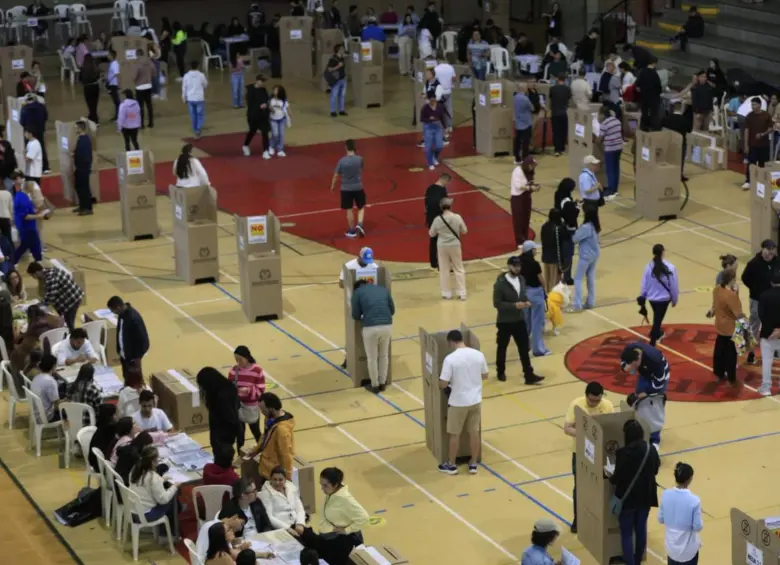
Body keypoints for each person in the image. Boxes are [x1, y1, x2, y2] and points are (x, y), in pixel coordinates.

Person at [563, 381, 614, 533]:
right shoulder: (576, 405)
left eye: (597, 400)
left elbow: (611, 427)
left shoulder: (607, 406)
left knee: (601, 487)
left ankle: (598, 518)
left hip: (600, 453)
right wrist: (586, 436)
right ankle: (578, 519)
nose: (594, 403)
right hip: (580, 452)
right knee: (579, 486)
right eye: (591, 400)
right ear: (586, 396)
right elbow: (567, 428)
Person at [608, 419, 660, 565]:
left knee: (626, 533)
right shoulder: (651, 449)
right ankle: (638, 560)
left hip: (627, 498)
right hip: (646, 495)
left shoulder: (623, 453)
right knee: (641, 528)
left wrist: (609, 475)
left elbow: (616, 479)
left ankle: (629, 562)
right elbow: (655, 469)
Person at [437, 329, 487, 475]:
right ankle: (473, 463)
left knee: (454, 434)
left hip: (458, 401)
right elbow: (485, 375)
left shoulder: (450, 359)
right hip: (475, 400)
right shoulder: (478, 354)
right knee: (474, 432)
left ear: (451, 341)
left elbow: (444, 383)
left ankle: (451, 464)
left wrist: (439, 384)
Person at [298, 467, 368, 565]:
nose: (322, 488)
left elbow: (363, 517)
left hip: (338, 543)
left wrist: (346, 530)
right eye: (321, 485)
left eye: (325, 485)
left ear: (335, 484)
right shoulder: (332, 493)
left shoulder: (345, 499)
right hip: (327, 538)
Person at [492, 256, 544, 384]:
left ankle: (528, 374)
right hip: (505, 321)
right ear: (509, 266)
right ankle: (500, 371)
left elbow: (522, 294)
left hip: (519, 320)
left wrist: (526, 301)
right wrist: (514, 305)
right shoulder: (500, 284)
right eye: (515, 266)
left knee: (524, 347)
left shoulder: (521, 279)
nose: (518, 268)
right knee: (502, 347)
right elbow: (497, 303)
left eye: (519, 266)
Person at [620, 342, 670, 445]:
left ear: (637, 359)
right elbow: (623, 360)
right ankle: (640, 429)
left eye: (633, 366)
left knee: (653, 406)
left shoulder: (654, 359)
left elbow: (659, 383)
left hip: (658, 378)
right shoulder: (630, 348)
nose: (633, 369)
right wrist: (625, 367)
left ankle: (654, 440)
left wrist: (647, 394)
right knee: (640, 403)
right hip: (645, 373)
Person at [351, 279, 395, 393]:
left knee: (372, 358)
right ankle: (382, 383)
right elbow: (392, 310)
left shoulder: (358, 293)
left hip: (370, 327)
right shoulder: (383, 290)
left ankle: (374, 385)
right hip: (387, 326)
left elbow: (355, 315)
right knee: (384, 355)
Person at [741, 239, 779, 365]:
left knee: (773, 324)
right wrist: (755, 289)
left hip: (772, 300)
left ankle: (774, 348)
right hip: (757, 299)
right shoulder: (754, 263)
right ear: (762, 249)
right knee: (754, 326)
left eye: (772, 249)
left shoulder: (776, 261)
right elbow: (744, 278)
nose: (770, 252)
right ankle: (751, 353)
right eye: (768, 249)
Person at [658, 462, 703, 565]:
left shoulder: (666, 494)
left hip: (671, 549)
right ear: (690, 479)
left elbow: (660, 518)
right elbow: (697, 527)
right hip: (688, 552)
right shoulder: (694, 501)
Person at [129, 446, 179, 528]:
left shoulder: (134, 470)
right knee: (172, 500)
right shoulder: (153, 477)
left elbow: (146, 485)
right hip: (145, 515)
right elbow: (164, 500)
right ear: (153, 462)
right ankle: (166, 534)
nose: (158, 463)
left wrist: (161, 480)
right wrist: (175, 486)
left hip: (131, 510)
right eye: (157, 460)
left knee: (166, 494)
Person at [639, 244, 679, 346]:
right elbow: (674, 285)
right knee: (658, 320)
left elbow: (644, 283)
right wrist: (674, 299)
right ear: (663, 252)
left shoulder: (648, 267)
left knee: (657, 318)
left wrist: (643, 296)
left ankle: (654, 333)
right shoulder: (670, 267)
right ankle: (652, 342)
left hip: (652, 299)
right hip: (664, 299)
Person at [428, 197, 468, 300]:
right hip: (455, 244)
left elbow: (431, 234)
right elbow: (464, 231)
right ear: (450, 206)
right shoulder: (457, 217)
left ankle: (446, 293)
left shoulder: (437, 220)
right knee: (458, 268)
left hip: (442, 246)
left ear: (441, 207)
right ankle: (462, 292)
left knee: (444, 269)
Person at [27, 262, 84, 332]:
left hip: (72, 300)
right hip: (69, 297)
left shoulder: (50, 278)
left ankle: (73, 337)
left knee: (68, 323)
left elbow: (50, 297)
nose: (34, 278)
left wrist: (37, 306)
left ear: (36, 272)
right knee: (66, 321)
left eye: (33, 275)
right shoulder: (48, 272)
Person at [229, 345, 266, 450]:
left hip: (251, 407)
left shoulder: (257, 371)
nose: (238, 362)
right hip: (238, 406)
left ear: (247, 357)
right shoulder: (234, 370)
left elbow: (261, 390)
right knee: (240, 434)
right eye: (236, 360)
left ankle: (262, 451)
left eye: (240, 359)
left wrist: (248, 390)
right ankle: (241, 455)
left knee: (256, 431)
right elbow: (229, 386)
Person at [711, 269, 744, 384]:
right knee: (731, 353)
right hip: (730, 327)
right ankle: (731, 376)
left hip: (719, 325)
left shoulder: (716, 290)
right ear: (732, 280)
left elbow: (714, 306)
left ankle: (718, 372)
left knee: (719, 350)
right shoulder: (731, 295)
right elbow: (737, 312)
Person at [197, 367, 241, 452]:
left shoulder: (219, 397)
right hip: (228, 430)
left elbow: (228, 417)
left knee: (222, 454)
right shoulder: (229, 387)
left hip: (222, 433)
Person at [519, 241, 550, 356]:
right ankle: (538, 349)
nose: (536, 251)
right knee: (537, 322)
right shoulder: (534, 264)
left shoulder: (518, 261)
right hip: (535, 293)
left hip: (523, 293)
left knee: (526, 321)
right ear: (530, 250)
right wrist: (545, 290)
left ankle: (525, 345)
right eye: (534, 249)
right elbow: (541, 280)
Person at [107, 296, 149, 380]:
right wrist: (120, 351)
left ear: (118, 307)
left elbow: (144, 340)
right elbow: (121, 333)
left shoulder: (134, 318)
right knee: (127, 379)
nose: (113, 313)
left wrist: (137, 357)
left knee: (136, 382)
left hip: (133, 358)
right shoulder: (121, 314)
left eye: (113, 311)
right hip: (125, 356)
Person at [331, 139, 366, 238]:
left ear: (346, 147)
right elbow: (362, 167)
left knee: (349, 209)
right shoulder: (360, 159)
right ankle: (360, 223)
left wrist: (333, 186)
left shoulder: (341, 161)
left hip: (345, 188)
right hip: (358, 186)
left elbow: (336, 175)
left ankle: (351, 231)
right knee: (361, 206)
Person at [259, 465, 307, 532]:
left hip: (296, 525)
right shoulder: (266, 494)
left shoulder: (292, 488)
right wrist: (287, 528)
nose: (277, 482)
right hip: (281, 529)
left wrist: (300, 523)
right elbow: (269, 517)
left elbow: (300, 508)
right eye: (274, 479)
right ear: (270, 479)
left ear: (285, 480)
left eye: (280, 480)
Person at [571, 205, 601, 311]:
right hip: (594, 255)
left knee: (578, 278)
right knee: (590, 277)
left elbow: (575, 239)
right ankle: (590, 302)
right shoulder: (596, 226)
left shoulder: (586, 227)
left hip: (586, 256)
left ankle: (577, 304)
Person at [743, 97, 774, 190]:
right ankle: (748, 181)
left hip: (764, 145)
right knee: (751, 164)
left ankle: (761, 182)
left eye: (754, 104)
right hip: (753, 145)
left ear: (759, 105)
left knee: (763, 164)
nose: (753, 106)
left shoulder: (766, 115)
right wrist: (746, 144)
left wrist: (763, 134)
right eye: (752, 104)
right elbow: (746, 130)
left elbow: (771, 128)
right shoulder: (749, 116)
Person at [13, 177, 46, 263]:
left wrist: (36, 211)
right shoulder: (23, 199)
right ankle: (13, 262)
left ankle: (39, 261)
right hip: (27, 227)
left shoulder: (21, 196)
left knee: (34, 245)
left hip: (26, 227)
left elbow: (29, 210)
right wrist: (39, 216)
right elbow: (26, 216)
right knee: (25, 246)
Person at [758, 272, 780, 397]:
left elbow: (762, 315)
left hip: (768, 335)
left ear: (772, 283)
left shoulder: (764, 296)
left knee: (767, 361)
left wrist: (771, 330)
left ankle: (766, 387)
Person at [510, 156, 540, 247]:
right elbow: (518, 186)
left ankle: (525, 239)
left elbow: (531, 181)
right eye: (532, 165)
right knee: (518, 219)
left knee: (526, 218)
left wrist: (535, 185)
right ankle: (519, 240)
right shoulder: (517, 171)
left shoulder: (529, 172)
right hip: (517, 197)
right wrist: (530, 188)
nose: (533, 167)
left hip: (526, 196)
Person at [424, 173, 450, 270]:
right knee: (442, 241)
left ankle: (433, 262)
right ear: (445, 181)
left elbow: (425, 204)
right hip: (440, 219)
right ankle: (441, 263)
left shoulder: (429, 188)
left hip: (430, 219)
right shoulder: (443, 190)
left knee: (433, 241)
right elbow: (445, 206)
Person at [243, 75, 271, 159]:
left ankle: (265, 151)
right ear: (257, 81)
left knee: (265, 132)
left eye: (264, 82)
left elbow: (267, 99)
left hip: (263, 115)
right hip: (253, 115)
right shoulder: (250, 91)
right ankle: (245, 145)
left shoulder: (264, 90)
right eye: (262, 81)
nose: (263, 83)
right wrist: (259, 106)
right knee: (252, 131)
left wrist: (266, 104)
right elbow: (250, 104)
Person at [598, 106, 623, 200]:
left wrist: (596, 142)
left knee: (610, 170)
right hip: (619, 147)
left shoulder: (604, 124)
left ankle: (611, 190)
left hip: (610, 149)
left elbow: (599, 139)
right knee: (616, 168)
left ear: (603, 114)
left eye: (599, 114)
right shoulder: (616, 120)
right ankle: (615, 188)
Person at [20, 94, 49, 175]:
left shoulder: (24, 109)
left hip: (29, 132)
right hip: (40, 131)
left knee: (29, 149)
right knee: (41, 148)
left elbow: (22, 122)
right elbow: (46, 117)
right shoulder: (42, 107)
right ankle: (45, 168)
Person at [540, 209, 565, 293]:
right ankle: (553, 299)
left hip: (545, 256)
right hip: (555, 258)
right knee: (555, 282)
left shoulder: (544, 226)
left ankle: (547, 297)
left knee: (547, 279)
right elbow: (562, 244)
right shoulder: (559, 228)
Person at [30, 354, 61, 422]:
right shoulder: (51, 382)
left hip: (37, 413)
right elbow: (57, 406)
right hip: (47, 417)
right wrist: (65, 402)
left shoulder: (36, 377)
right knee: (69, 408)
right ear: (53, 366)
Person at [182, 60, 209, 138]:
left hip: (190, 98)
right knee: (200, 115)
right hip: (199, 98)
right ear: (198, 66)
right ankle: (198, 129)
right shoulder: (201, 75)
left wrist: (184, 97)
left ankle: (195, 129)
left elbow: (184, 88)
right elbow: (205, 84)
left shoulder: (186, 76)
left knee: (193, 115)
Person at [635, 57, 662, 131]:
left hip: (644, 97)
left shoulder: (642, 72)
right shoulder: (655, 74)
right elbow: (659, 88)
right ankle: (655, 130)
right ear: (654, 63)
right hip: (654, 98)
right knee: (654, 115)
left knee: (644, 113)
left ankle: (643, 129)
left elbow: (637, 86)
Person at [73, 120, 93, 216]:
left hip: (83, 168)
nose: (75, 129)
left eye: (76, 127)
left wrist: (75, 155)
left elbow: (84, 155)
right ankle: (82, 205)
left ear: (80, 128)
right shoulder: (81, 139)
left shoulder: (84, 139)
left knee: (84, 188)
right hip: (79, 167)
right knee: (78, 186)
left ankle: (88, 208)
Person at [88, 403, 118, 471]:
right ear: (111, 416)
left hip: (94, 462)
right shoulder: (111, 429)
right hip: (101, 465)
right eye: (116, 414)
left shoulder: (100, 426)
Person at [420, 92, 446, 170]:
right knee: (428, 146)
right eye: (431, 100)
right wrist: (429, 119)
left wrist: (445, 127)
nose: (432, 102)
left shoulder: (440, 107)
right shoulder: (425, 108)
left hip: (438, 127)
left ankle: (435, 157)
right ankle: (430, 163)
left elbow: (442, 117)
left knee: (439, 146)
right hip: (428, 127)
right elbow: (422, 119)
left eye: (434, 100)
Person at [549, 74, 571, 156]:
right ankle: (562, 148)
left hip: (554, 113)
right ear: (565, 80)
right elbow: (568, 99)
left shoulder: (552, 89)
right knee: (563, 131)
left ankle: (557, 149)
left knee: (556, 131)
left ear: (557, 79)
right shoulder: (567, 89)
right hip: (564, 113)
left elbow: (550, 98)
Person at [134, 48, 156, 129]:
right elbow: (154, 70)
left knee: (140, 106)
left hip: (139, 86)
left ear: (137, 54)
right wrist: (150, 77)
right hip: (148, 85)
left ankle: (141, 124)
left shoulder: (137, 63)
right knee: (149, 105)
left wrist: (134, 80)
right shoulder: (149, 62)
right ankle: (151, 123)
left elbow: (135, 74)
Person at [513, 88, 534, 164]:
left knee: (517, 141)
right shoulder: (525, 99)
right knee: (526, 142)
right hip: (526, 123)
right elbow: (532, 108)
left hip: (518, 123)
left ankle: (516, 158)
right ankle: (524, 158)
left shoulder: (515, 97)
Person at [269, 85, 290, 157]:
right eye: (274, 90)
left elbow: (287, 108)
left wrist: (290, 115)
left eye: (276, 90)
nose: (274, 91)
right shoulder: (271, 99)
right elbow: (269, 109)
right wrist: (271, 109)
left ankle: (280, 149)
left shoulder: (283, 100)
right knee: (275, 134)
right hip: (273, 119)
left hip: (281, 119)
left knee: (281, 134)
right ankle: (271, 146)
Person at [327, 45, 348, 117]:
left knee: (342, 95)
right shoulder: (333, 59)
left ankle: (341, 110)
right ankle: (333, 111)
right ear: (339, 50)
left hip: (343, 79)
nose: (343, 50)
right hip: (336, 80)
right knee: (334, 95)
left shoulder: (342, 58)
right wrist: (338, 66)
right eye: (342, 49)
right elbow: (329, 69)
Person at [80, 54, 100, 124]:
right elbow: (98, 76)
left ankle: (93, 118)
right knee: (94, 104)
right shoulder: (95, 67)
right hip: (95, 87)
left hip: (87, 87)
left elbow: (80, 79)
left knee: (90, 104)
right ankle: (93, 117)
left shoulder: (83, 68)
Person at [0, 125, 18, 193]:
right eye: (4, 131)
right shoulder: (6, 144)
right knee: (9, 195)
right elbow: (11, 161)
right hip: (6, 174)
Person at [106, 50, 121, 121]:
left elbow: (117, 74)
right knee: (115, 101)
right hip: (111, 84)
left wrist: (118, 84)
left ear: (112, 55)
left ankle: (118, 116)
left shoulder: (114, 64)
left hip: (113, 84)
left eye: (109, 54)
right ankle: (117, 115)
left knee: (117, 101)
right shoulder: (112, 63)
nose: (107, 56)